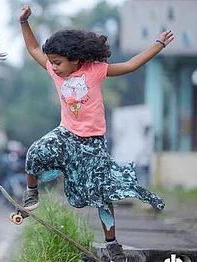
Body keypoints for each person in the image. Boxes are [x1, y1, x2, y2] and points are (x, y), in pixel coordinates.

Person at [19, 5, 174, 262]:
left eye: (58, 63)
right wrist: (24, 23)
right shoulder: (56, 72)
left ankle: (112, 244)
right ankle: (31, 192)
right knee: (35, 151)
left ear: (76, 60)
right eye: (52, 63)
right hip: (66, 134)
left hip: (93, 143)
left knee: (103, 194)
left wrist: (158, 45)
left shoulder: (95, 70)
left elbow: (130, 65)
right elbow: (33, 49)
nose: (54, 68)